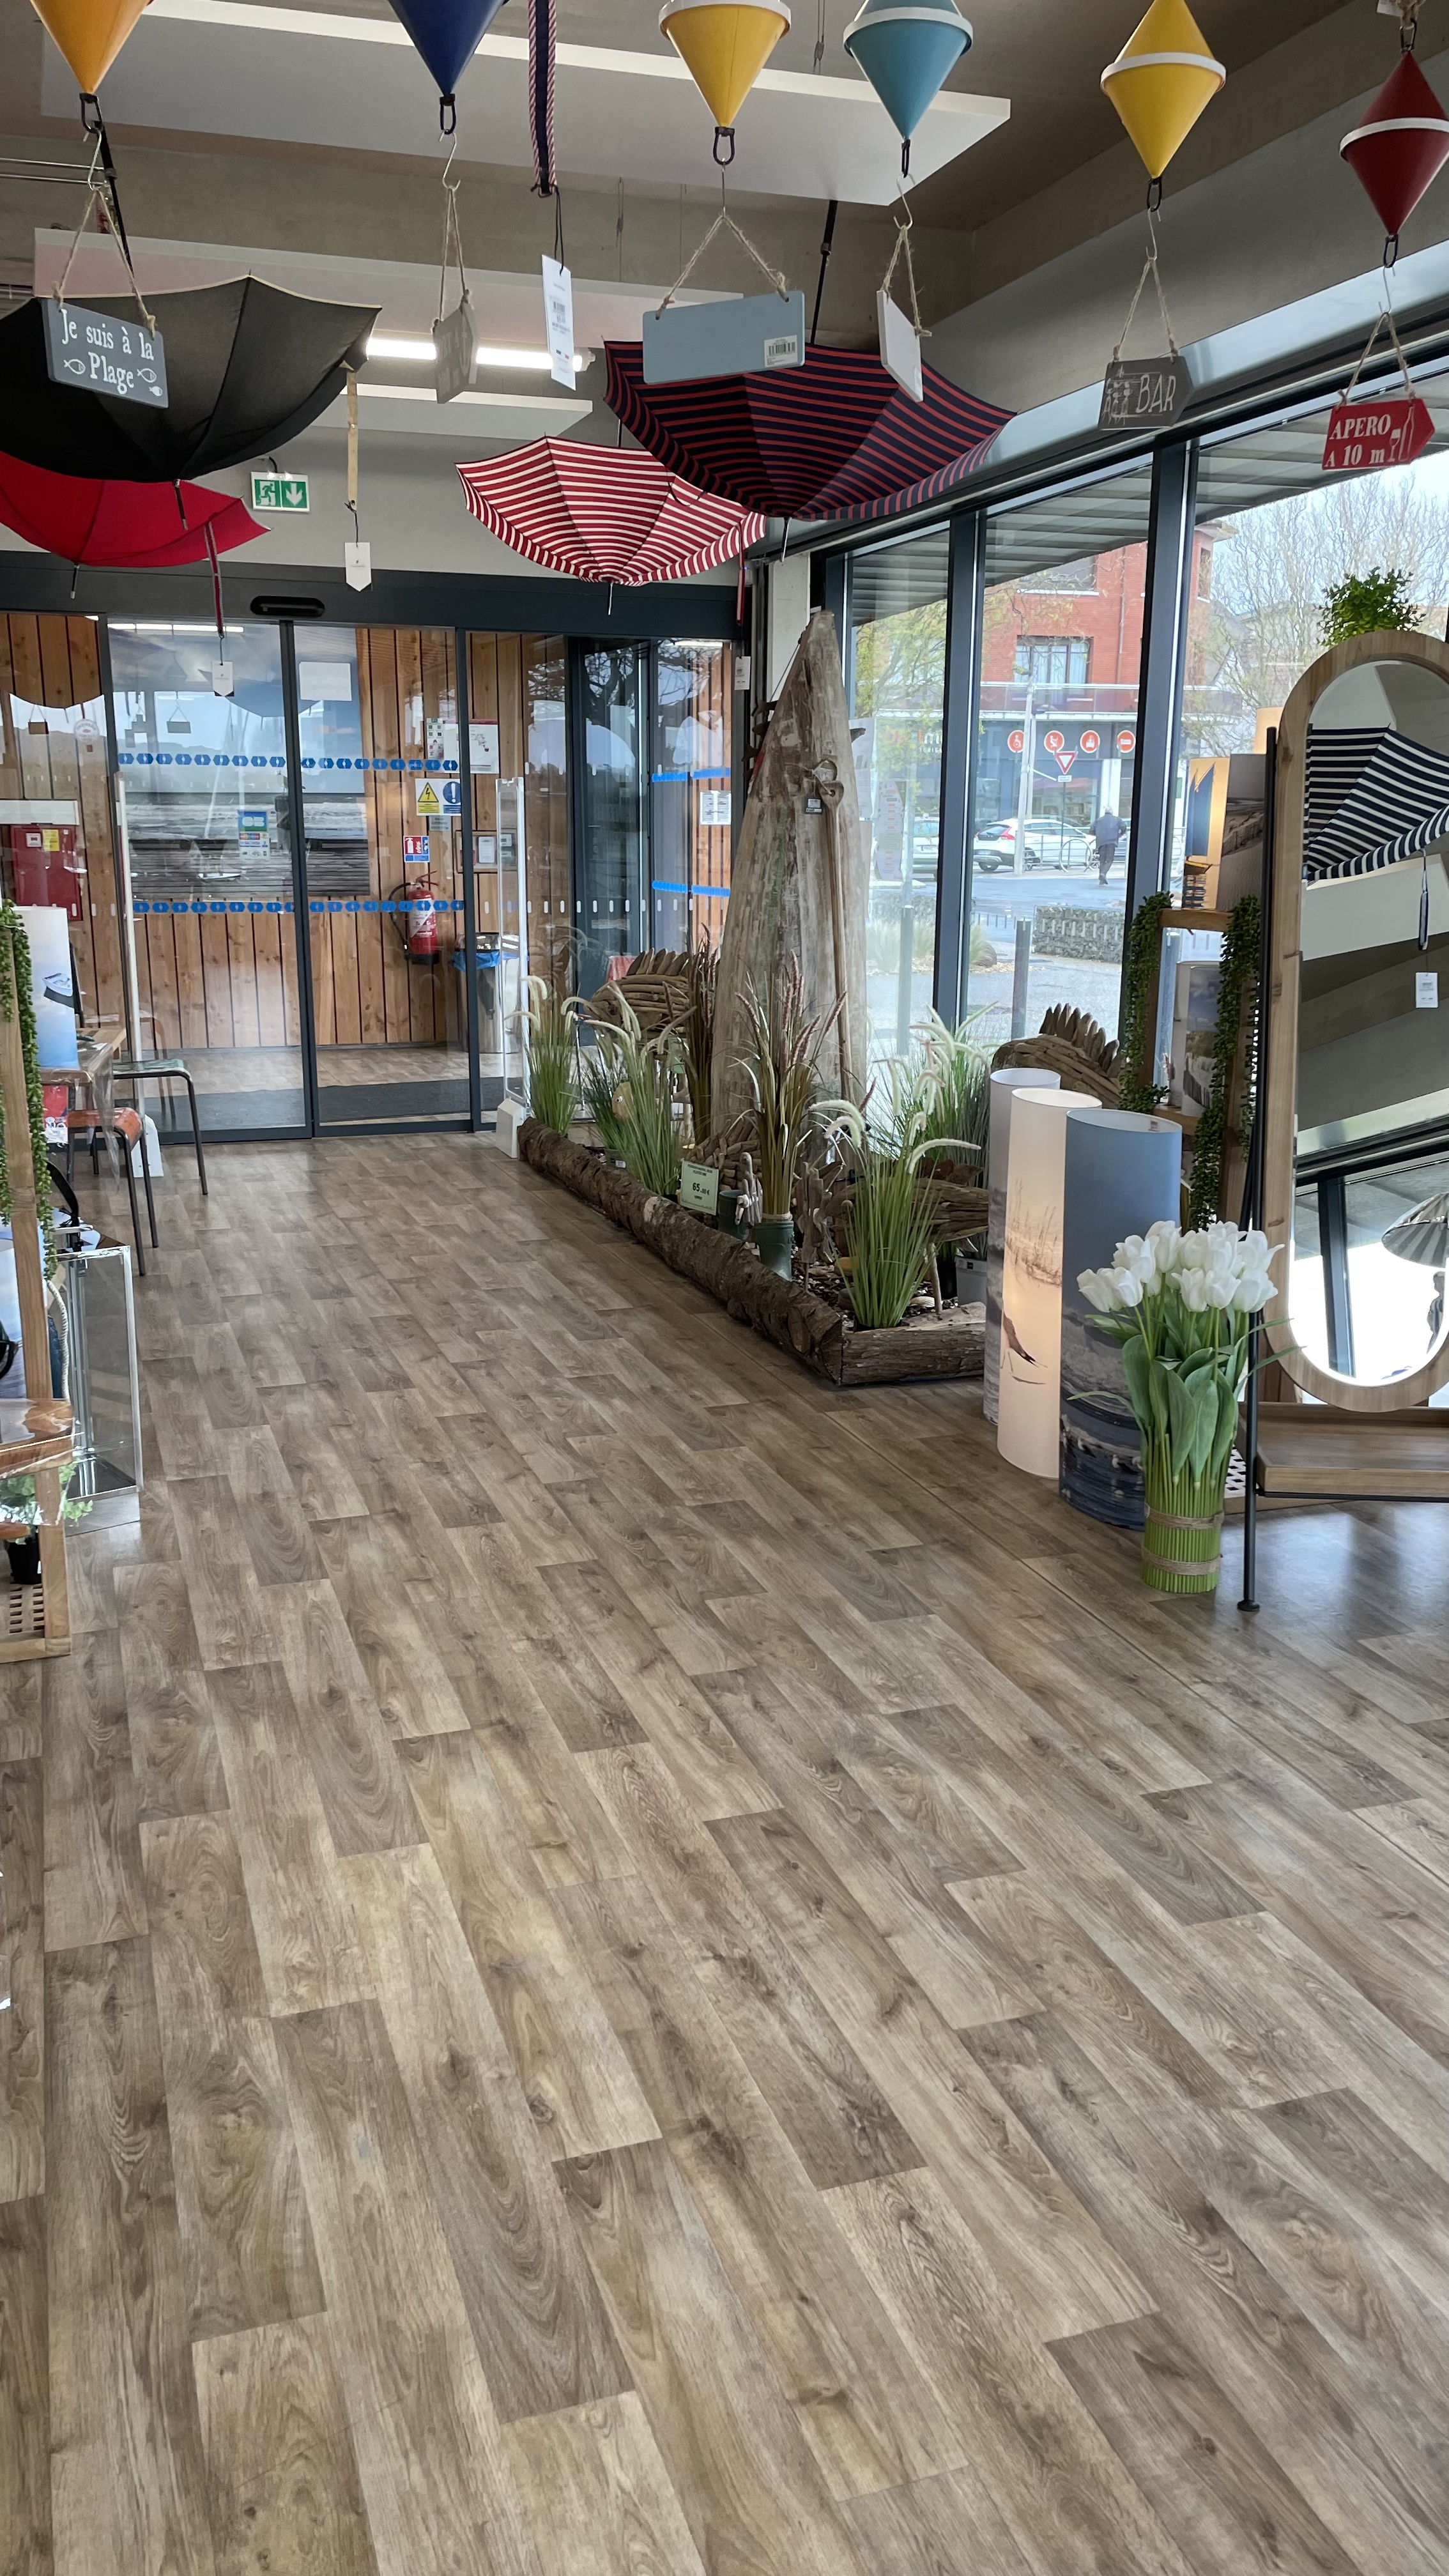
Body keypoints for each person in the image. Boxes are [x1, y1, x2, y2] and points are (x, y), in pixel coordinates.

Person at [1092, 810, 1124, 884]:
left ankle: (1102, 879)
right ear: (1112, 812)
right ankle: (1103, 874)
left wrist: (1099, 835)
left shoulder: (1098, 820)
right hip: (1112, 842)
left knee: (1102, 860)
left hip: (1101, 842)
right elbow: (1124, 827)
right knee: (1110, 860)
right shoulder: (1117, 819)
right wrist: (1120, 834)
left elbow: (1092, 830)